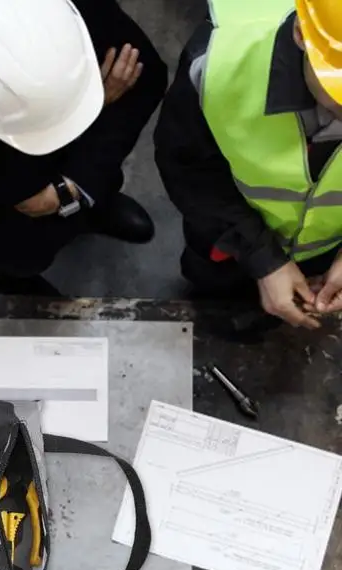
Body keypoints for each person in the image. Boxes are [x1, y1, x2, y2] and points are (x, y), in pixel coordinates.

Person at [0, 0, 168, 295]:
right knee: (18, 260)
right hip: (3, 204)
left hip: (68, 175)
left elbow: (147, 77)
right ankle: (16, 285)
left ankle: (91, 209)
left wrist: (77, 185)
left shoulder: (64, 14)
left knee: (91, 190)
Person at [155, 0, 342, 330]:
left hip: (327, 253)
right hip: (228, 243)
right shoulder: (217, 65)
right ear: (301, 34)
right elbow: (188, 168)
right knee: (216, 310)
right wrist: (263, 259)